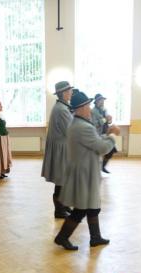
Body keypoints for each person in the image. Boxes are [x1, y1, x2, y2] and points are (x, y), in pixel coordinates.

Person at [54, 91, 120, 251]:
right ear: (81, 108)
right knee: (81, 209)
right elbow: (102, 148)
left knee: (92, 206)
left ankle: (95, 237)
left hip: (84, 171)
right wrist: (113, 136)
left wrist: (106, 135)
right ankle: (62, 237)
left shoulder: (79, 124)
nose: (90, 109)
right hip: (84, 173)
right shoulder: (82, 126)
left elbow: (95, 141)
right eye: (87, 106)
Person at [41, 81, 74, 218]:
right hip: (61, 149)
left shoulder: (62, 107)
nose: (71, 92)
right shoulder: (61, 109)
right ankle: (59, 210)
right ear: (63, 93)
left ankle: (64, 206)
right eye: (69, 91)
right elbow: (70, 131)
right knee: (61, 180)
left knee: (64, 179)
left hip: (62, 147)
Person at [91, 93, 118, 173]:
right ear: (96, 101)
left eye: (103, 100)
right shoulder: (93, 111)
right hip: (97, 135)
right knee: (99, 153)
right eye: (100, 100)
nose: (102, 102)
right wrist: (105, 120)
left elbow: (108, 121)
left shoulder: (105, 110)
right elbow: (94, 124)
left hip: (106, 133)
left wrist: (110, 121)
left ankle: (102, 167)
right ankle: (97, 169)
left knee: (112, 150)